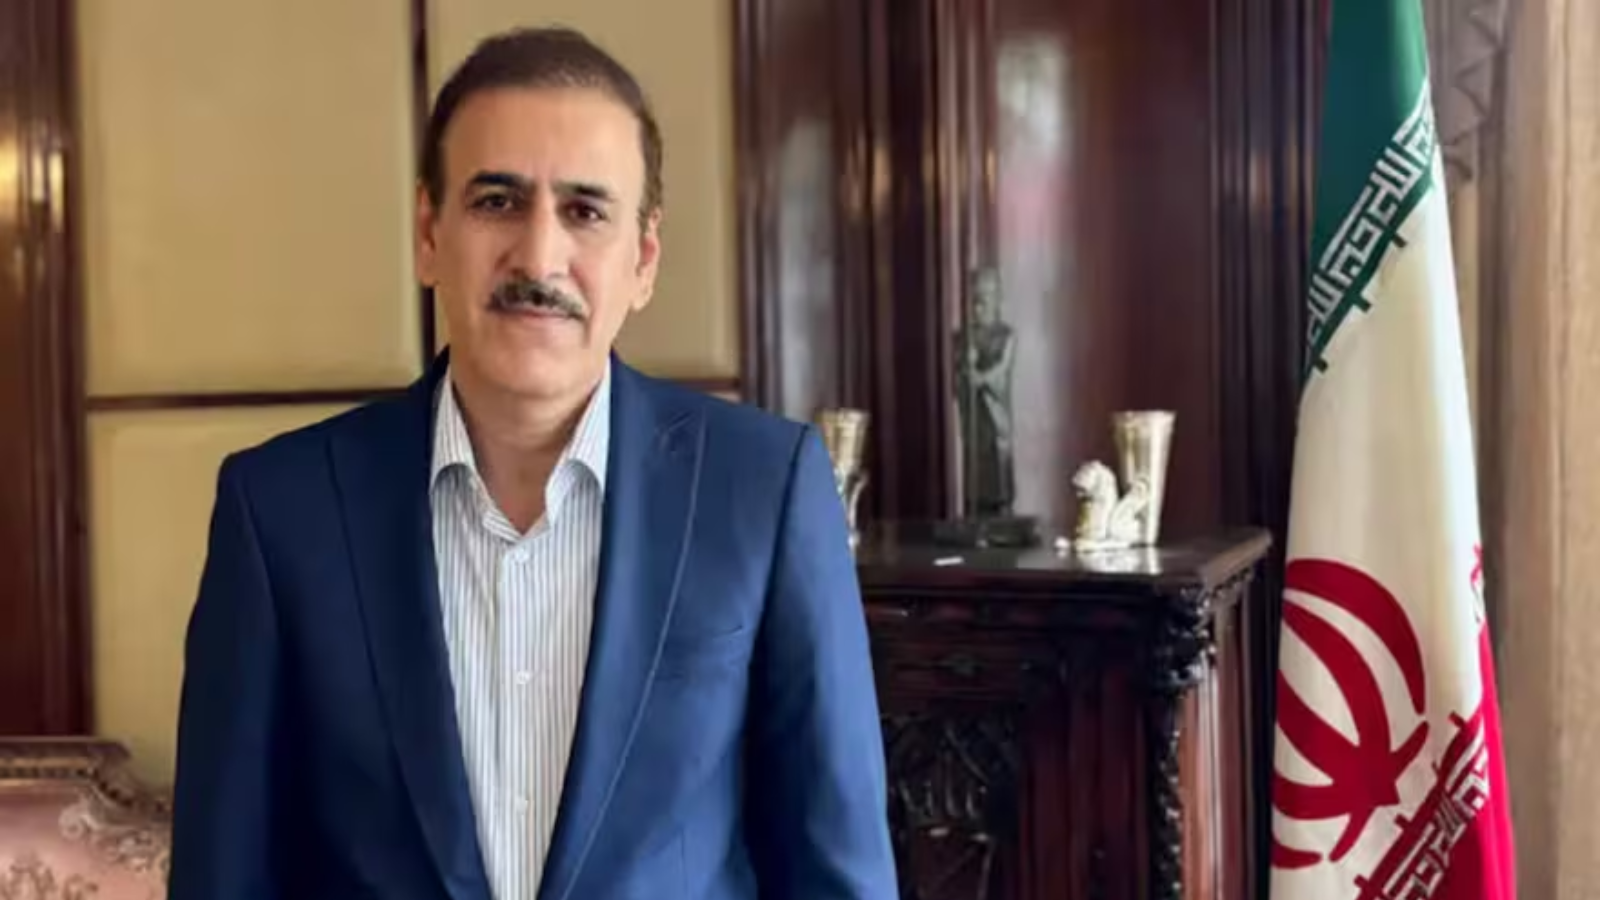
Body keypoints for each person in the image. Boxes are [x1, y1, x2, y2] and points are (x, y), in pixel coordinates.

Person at [166, 26, 897, 900]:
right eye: (497, 202)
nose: (539, 256)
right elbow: (223, 878)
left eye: (585, 211)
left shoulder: (765, 491)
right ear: (429, 232)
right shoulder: (280, 511)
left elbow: (837, 871)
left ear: (644, 259)